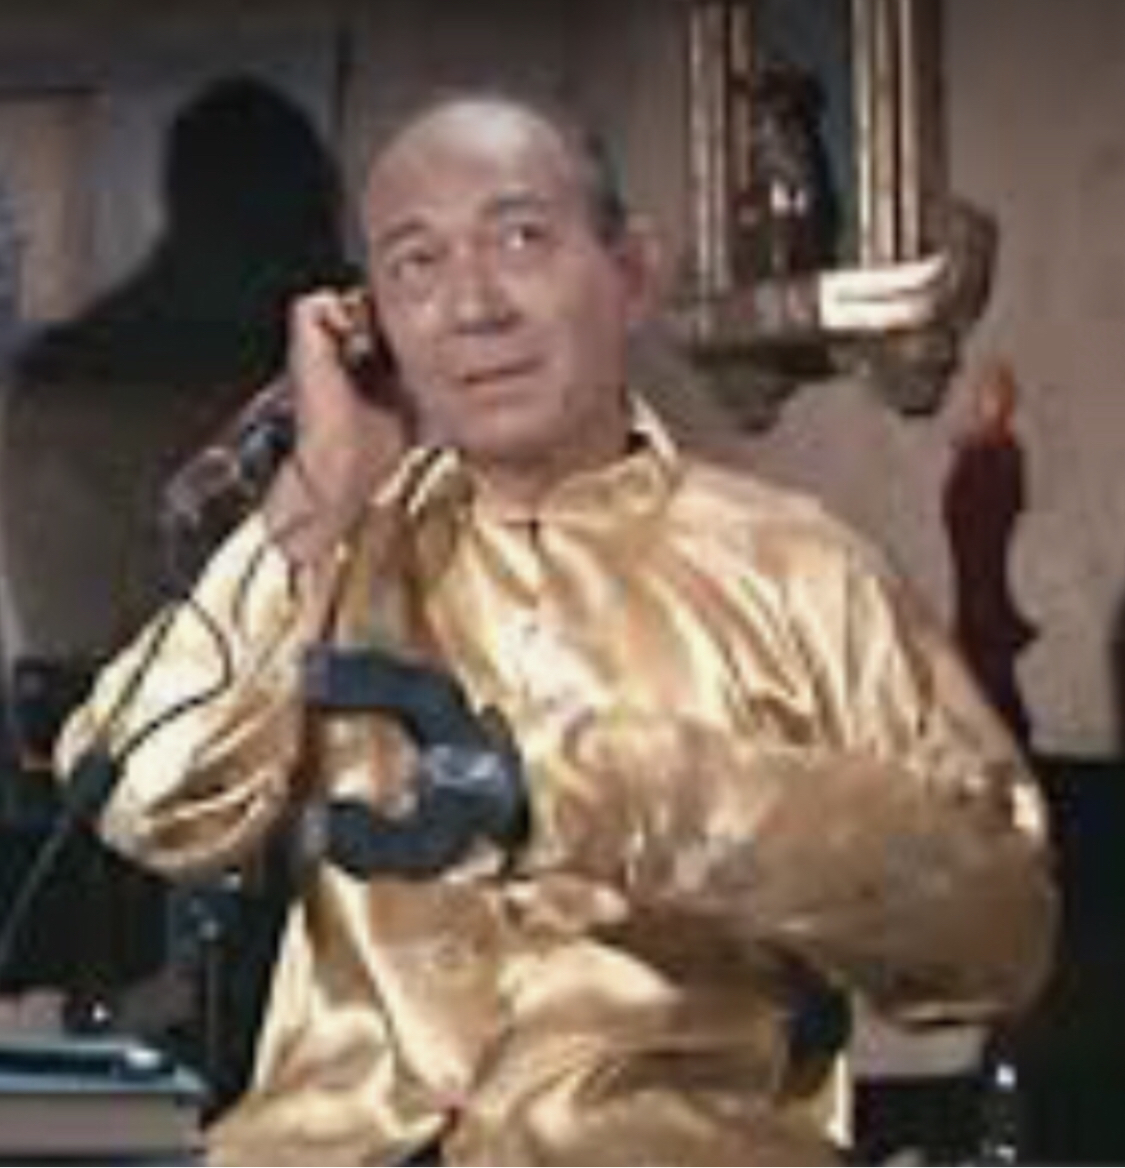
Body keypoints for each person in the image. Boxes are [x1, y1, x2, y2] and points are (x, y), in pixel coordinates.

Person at [55, 91, 1058, 1166]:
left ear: (631, 275)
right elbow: (140, 801)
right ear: (369, 320)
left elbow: (995, 934)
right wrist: (318, 490)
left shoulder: (801, 571)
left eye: (521, 239)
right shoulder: (330, 549)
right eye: (415, 265)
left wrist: (612, 792)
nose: (472, 306)